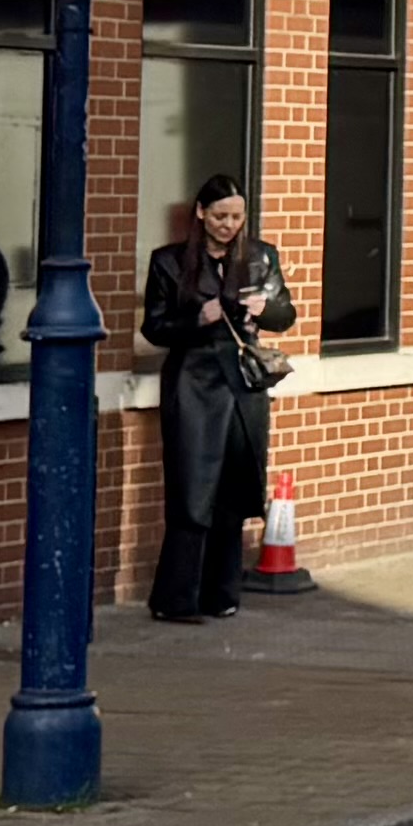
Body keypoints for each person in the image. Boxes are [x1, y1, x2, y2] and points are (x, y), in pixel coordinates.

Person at [135, 175, 295, 622]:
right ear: (201, 213)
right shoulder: (168, 262)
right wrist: (197, 318)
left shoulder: (261, 257)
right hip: (193, 381)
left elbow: (287, 314)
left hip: (244, 384)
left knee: (235, 487)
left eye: (237, 217)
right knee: (191, 488)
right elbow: (154, 327)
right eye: (220, 215)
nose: (229, 225)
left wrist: (269, 310)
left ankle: (223, 593)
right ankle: (175, 598)